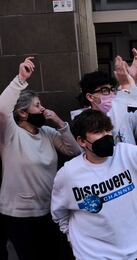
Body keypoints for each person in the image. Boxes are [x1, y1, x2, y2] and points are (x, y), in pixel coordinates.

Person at [51, 109, 137, 259]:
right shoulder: (68, 174)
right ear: (81, 141)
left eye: (107, 130)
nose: (106, 136)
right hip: (93, 256)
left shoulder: (130, 154)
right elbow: (59, 212)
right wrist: (71, 237)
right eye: (98, 132)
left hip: (135, 251)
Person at [0, 57, 81, 259]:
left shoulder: (46, 132)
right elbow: (2, 111)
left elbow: (75, 151)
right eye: (37, 106)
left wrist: (59, 123)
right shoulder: (10, 134)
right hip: (20, 215)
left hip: (50, 210)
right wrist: (20, 79)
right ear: (22, 113)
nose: (42, 109)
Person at [77, 48, 137, 145]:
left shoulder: (125, 118)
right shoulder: (82, 123)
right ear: (90, 97)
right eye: (104, 91)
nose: (111, 94)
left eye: (112, 90)